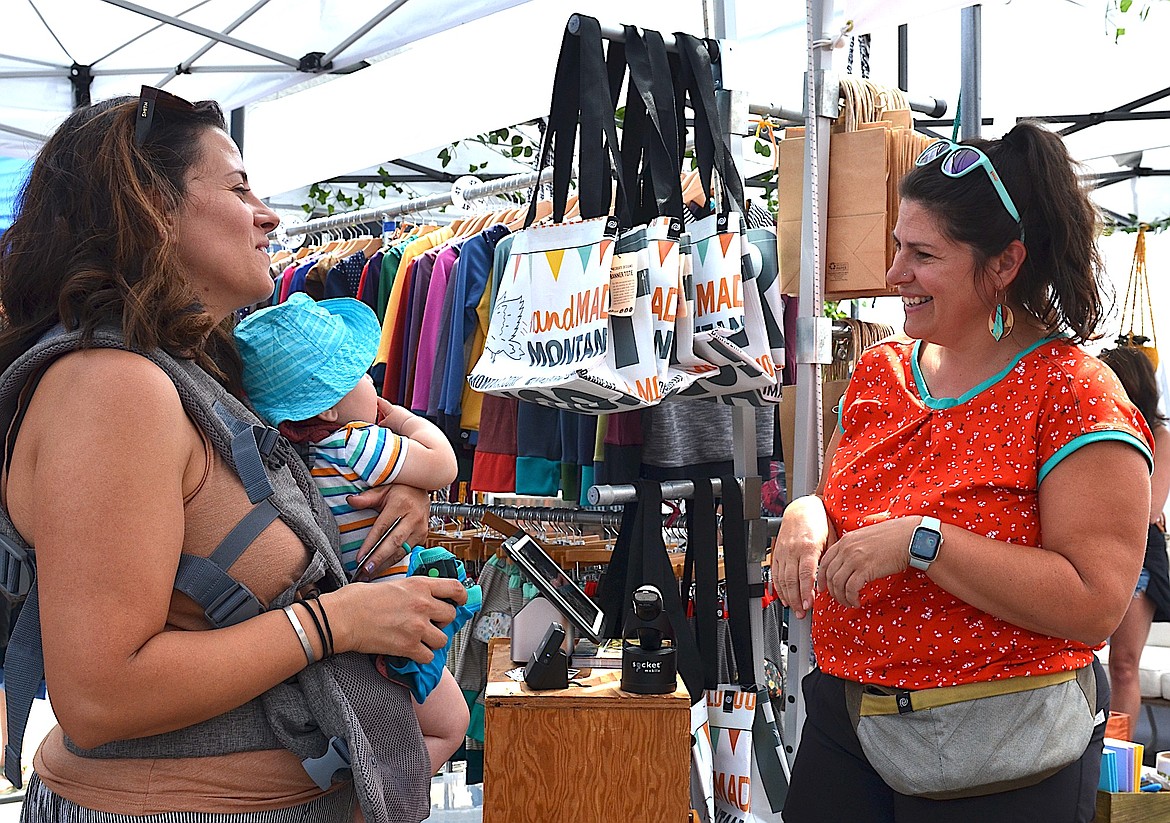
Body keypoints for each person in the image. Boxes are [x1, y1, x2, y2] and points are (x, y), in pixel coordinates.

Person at [0, 86, 465, 821]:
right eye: (239, 186)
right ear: (154, 208)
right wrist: (337, 621)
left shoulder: (177, 374)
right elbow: (97, 694)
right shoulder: (110, 387)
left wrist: (403, 491)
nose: (271, 214)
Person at [772, 121, 1153, 823]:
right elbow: (842, 499)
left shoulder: (1072, 393)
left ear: (1004, 263)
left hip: (998, 752)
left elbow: (1096, 599)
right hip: (847, 722)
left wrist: (925, 542)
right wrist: (807, 513)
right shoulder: (880, 374)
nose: (893, 275)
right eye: (896, 245)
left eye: (922, 254)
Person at [233, 292, 468, 776]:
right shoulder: (358, 445)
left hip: (348, 625)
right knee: (451, 724)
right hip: (392, 619)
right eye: (359, 376)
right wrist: (400, 418)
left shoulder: (289, 459)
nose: (371, 382)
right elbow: (444, 466)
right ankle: (377, 796)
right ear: (329, 412)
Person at [1099, 345, 1170, 723]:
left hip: (1140, 551)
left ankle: (1120, 758)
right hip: (1097, 546)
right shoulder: (1098, 429)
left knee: (1124, 662)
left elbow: (1151, 507)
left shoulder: (1159, 437)